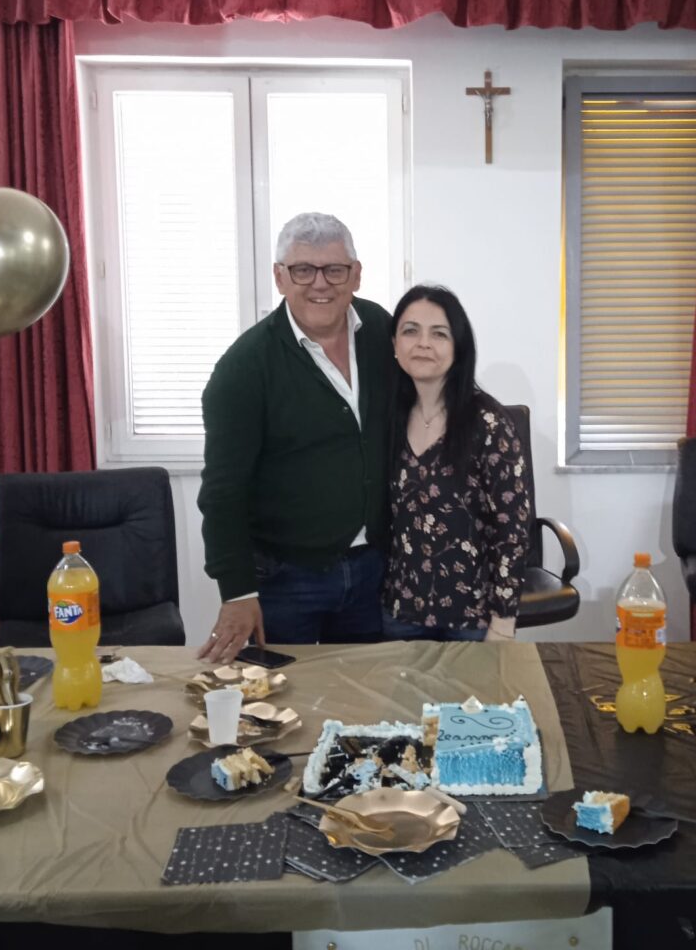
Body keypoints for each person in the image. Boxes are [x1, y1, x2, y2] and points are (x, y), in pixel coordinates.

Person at [197, 212, 392, 663]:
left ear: (356, 275)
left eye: (334, 270)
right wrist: (237, 592)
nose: (319, 284)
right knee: (285, 697)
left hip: (374, 569)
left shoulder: (383, 331)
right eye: (303, 270)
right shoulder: (244, 368)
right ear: (280, 277)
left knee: (367, 693)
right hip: (285, 580)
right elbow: (223, 492)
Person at [383, 285, 531, 642]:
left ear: (458, 347)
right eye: (410, 331)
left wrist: (503, 620)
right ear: (394, 344)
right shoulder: (388, 417)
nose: (423, 343)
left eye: (439, 334)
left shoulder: (488, 423)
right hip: (400, 609)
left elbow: (511, 530)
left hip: (472, 617)